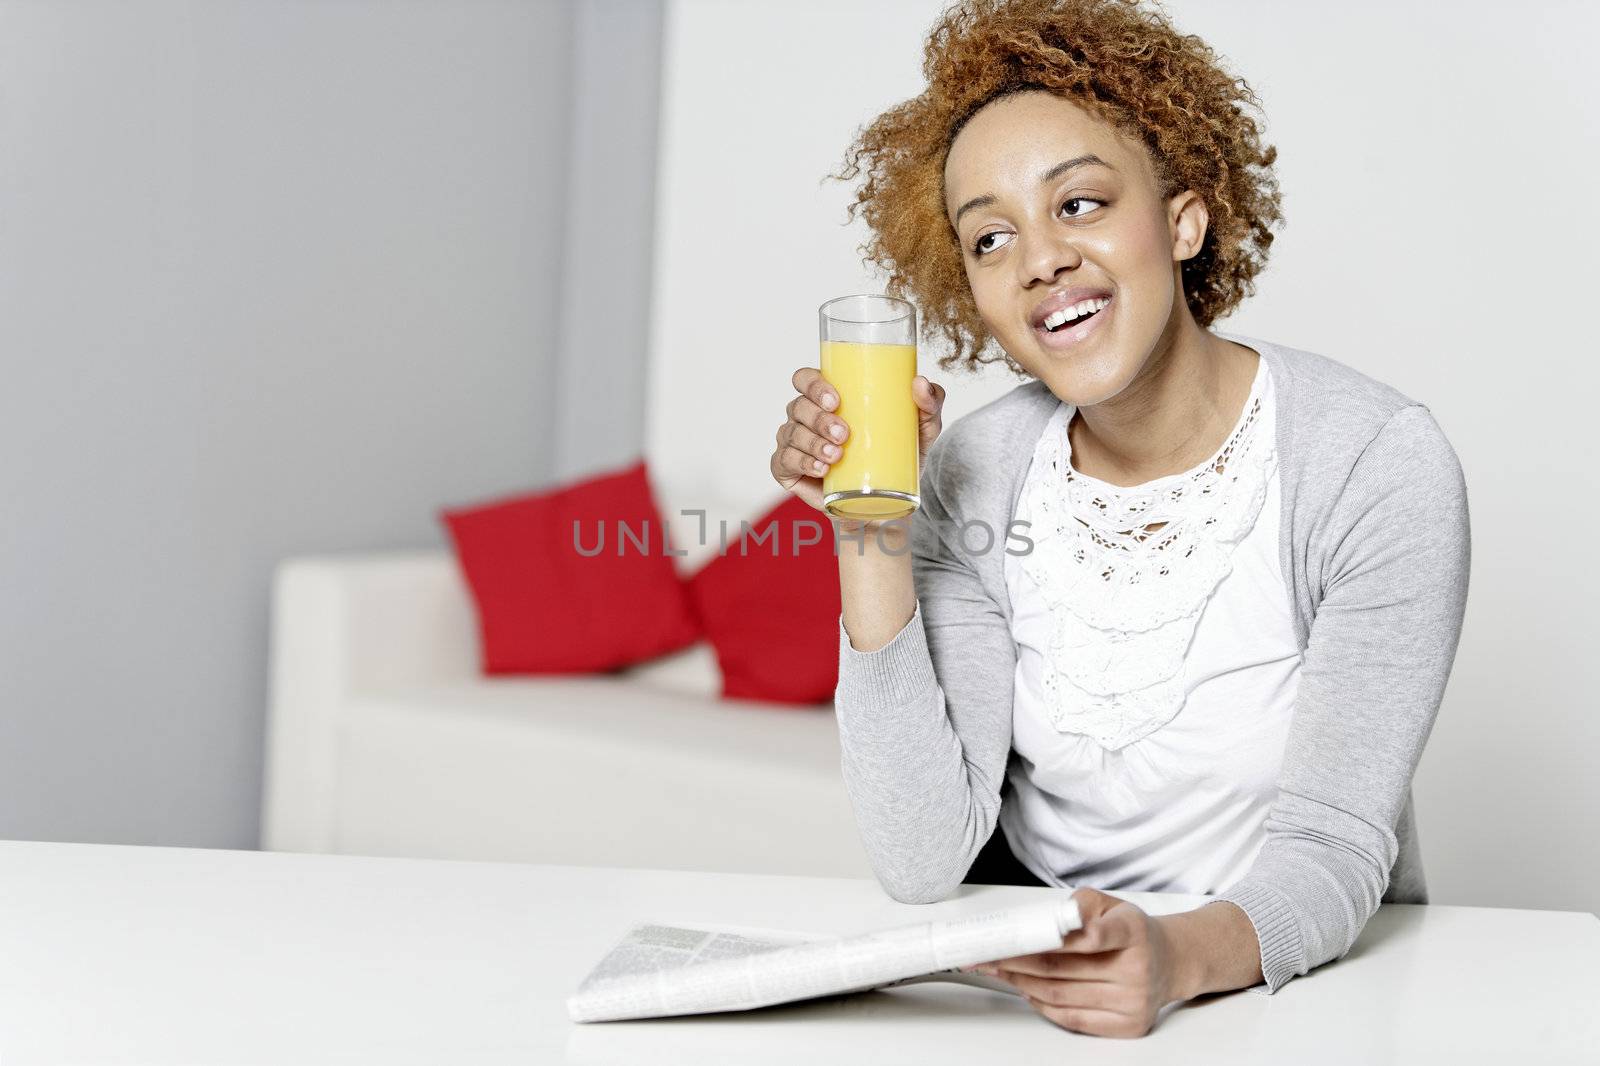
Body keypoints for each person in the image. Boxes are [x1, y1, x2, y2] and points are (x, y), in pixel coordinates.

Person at [767, 0, 1471, 1040]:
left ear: (1184, 220)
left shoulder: (1369, 460)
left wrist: (1168, 958)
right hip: (1031, 1001)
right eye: (990, 236)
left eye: (1081, 204)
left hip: (1295, 995)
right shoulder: (974, 470)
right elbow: (921, 858)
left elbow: (1331, 845)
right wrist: (868, 522)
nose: (1039, 259)